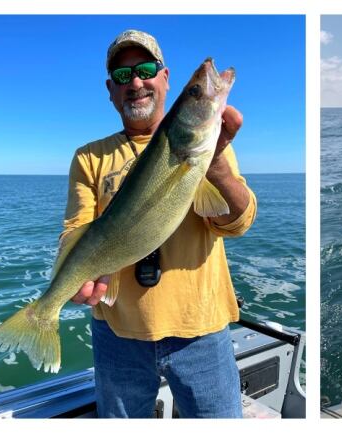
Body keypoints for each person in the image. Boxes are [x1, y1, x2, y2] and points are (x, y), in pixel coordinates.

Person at [59, 29, 256, 418]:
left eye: (146, 69)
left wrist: (214, 165)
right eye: (122, 76)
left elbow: (238, 222)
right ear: (111, 90)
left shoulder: (209, 145)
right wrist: (70, 278)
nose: (135, 82)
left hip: (200, 327)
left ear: (165, 79)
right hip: (117, 334)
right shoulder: (88, 158)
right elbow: (75, 230)